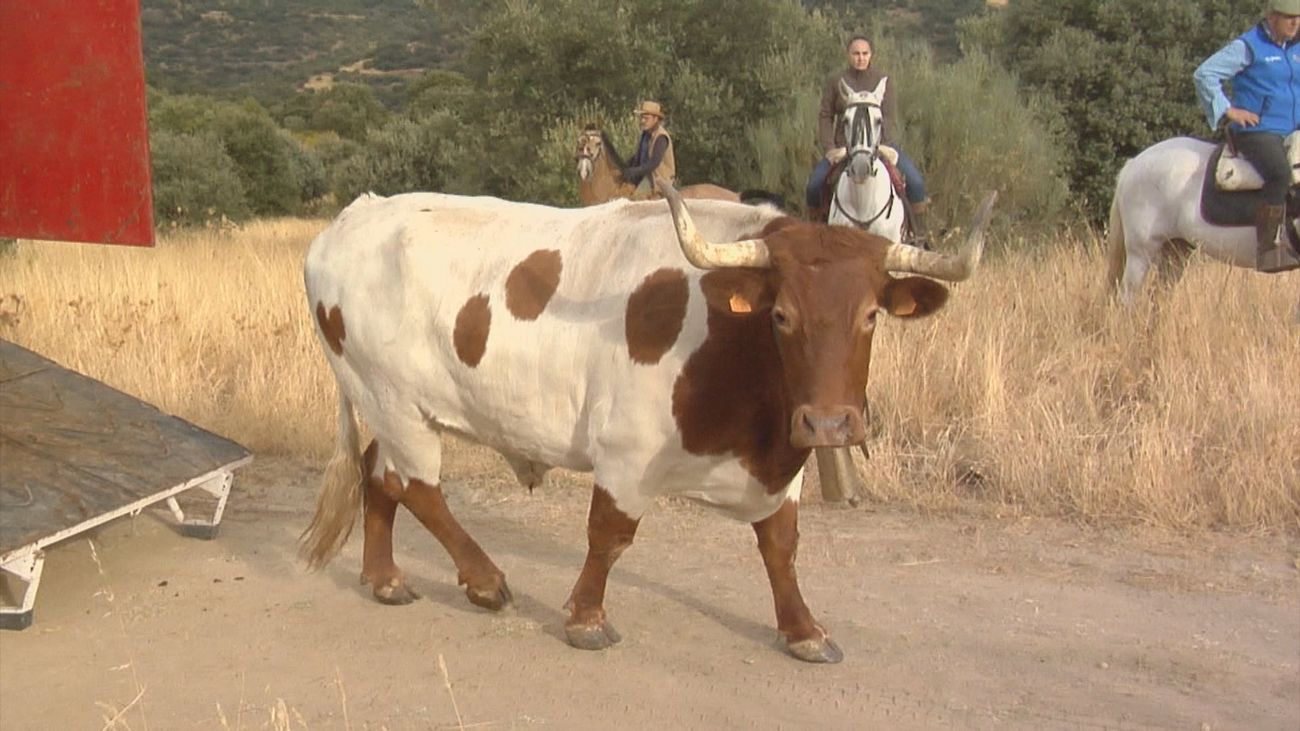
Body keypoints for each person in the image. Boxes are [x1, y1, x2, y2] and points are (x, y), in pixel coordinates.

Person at [1193, 0, 1300, 271]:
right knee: (1279, 173)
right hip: (1258, 131)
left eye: (1299, 17)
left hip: (1293, 128)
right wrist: (1229, 110)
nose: (1295, 23)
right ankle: (1268, 247)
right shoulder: (1248, 46)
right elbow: (1205, 74)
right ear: (1272, 17)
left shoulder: (1297, 46)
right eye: (1289, 18)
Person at [806, 35, 930, 241]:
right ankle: (815, 236)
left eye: (864, 53)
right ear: (848, 55)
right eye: (856, 53)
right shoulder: (836, 81)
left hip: (880, 145)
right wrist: (830, 148)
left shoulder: (883, 80)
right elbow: (825, 115)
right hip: (844, 148)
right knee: (814, 185)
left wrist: (882, 144)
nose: (860, 58)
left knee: (915, 182)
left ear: (871, 55)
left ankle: (918, 236)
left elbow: (889, 116)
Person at [601, 100, 677, 200]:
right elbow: (639, 156)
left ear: (655, 119)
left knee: (636, 200)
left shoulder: (661, 137)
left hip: (656, 179)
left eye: (646, 118)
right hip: (643, 175)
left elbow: (654, 163)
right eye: (641, 118)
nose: (642, 121)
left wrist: (634, 172)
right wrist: (623, 168)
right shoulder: (645, 135)